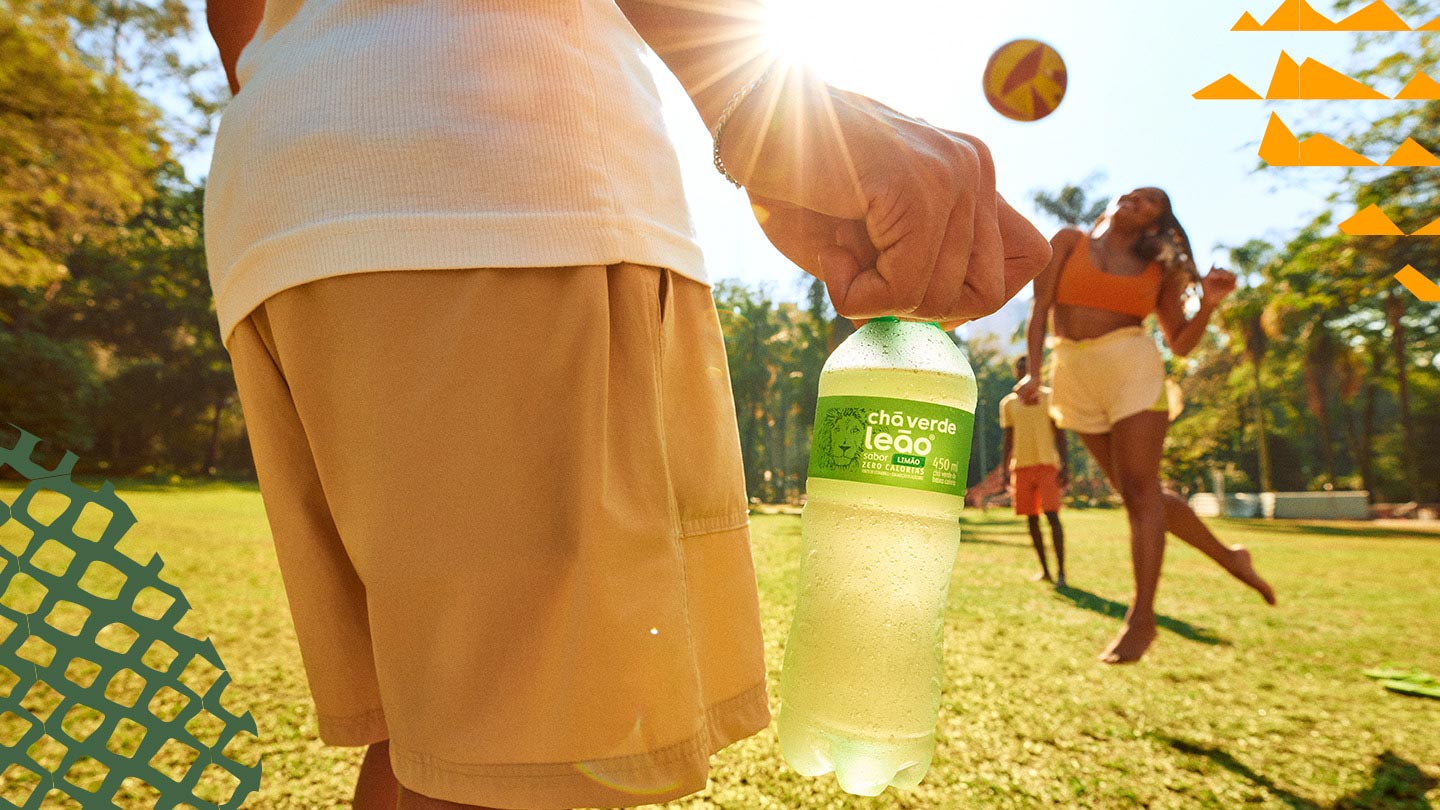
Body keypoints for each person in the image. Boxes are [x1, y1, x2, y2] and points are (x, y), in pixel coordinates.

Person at [203, 1, 1052, 808]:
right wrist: (759, 101)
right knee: (500, 762)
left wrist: (321, 93)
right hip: (505, 185)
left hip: (281, 208)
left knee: (427, 729)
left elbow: (233, 19)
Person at [1017, 187, 1276, 666]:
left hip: (1131, 367)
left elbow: (1180, 343)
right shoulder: (1068, 241)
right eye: (1134, 192)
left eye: (1152, 201)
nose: (1136, 198)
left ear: (1157, 224)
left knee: (1140, 492)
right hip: (1073, 372)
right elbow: (1039, 310)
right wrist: (1033, 373)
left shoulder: (1161, 269)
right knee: (1138, 493)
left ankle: (1142, 619)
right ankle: (1230, 557)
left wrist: (1209, 305)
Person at [999, 356, 1068, 587]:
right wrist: (1005, 468)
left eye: (1028, 367)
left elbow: (1060, 433)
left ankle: (1061, 572)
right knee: (1031, 519)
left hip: (1047, 464)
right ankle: (1045, 571)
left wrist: (1066, 464)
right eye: (1020, 367)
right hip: (1021, 466)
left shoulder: (1049, 397)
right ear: (1015, 372)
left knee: (1053, 516)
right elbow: (1008, 438)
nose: (1023, 370)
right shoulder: (1008, 403)